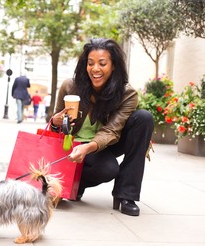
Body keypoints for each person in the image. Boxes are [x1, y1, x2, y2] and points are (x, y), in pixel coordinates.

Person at [51, 38, 154, 216]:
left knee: (143, 118)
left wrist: (88, 147)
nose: (95, 69)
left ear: (113, 66)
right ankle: (75, 184)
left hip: (104, 145)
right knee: (106, 169)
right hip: (73, 145)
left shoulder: (127, 93)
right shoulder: (70, 86)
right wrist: (55, 122)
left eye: (102, 63)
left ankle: (126, 194)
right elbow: (54, 128)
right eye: (90, 63)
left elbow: (112, 131)